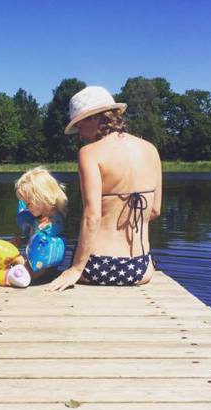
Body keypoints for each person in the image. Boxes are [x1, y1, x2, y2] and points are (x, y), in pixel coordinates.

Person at [46, 86, 162, 291]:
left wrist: (75, 269)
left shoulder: (89, 153)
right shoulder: (151, 149)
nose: (79, 134)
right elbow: (154, 211)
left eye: (79, 125)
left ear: (94, 118)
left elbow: (92, 216)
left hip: (98, 266)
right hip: (141, 268)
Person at [14, 167, 68, 279]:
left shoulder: (53, 223)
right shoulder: (40, 217)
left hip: (40, 269)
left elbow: (43, 246)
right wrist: (22, 240)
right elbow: (33, 240)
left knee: (11, 258)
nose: (26, 208)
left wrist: (17, 258)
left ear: (42, 197)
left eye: (28, 203)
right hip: (38, 264)